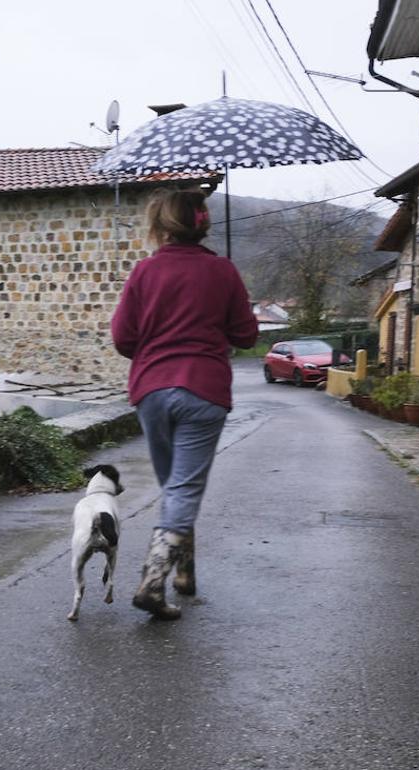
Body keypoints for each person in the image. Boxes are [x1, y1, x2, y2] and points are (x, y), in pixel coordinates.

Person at [110, 188, 259, 620]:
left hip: (152, 390)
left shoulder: (144, 272)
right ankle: (154, 582)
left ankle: (184, 574)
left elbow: (123, 339)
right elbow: (247, 336)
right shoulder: (222, 271)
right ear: (201, 223)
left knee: (174, 485)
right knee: (184, 487)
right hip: (204, 390)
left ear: (161, 225)